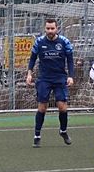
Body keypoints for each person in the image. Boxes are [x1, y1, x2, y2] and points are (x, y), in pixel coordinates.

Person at [25, 17, 74, 147]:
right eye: (48, 28)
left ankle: (63, 131)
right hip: (44, 78)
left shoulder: (64, 42)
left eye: (52, 28)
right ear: (45, 29)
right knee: (42, 107)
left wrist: (71, 76)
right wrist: (29, 73)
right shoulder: (39, 42)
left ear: (57, 28)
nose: (50, 31)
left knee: (62, 107)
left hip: (60, 78)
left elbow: (70, 60)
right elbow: (32, 58)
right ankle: (37, 135)